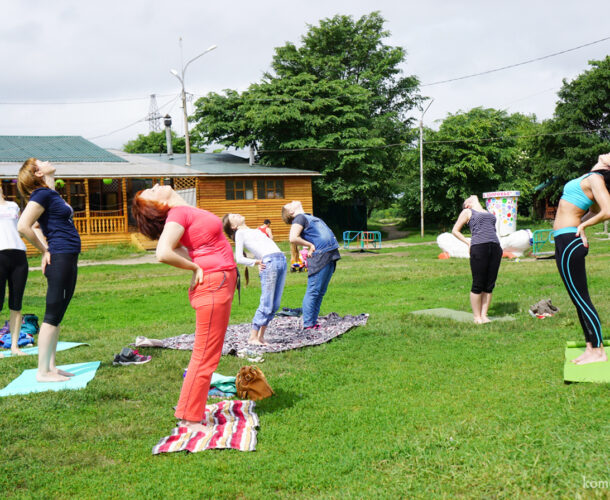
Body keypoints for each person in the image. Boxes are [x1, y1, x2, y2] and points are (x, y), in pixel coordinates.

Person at [132, 184, 236, 433]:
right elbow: (163, 252)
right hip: (212, 284)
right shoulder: (177, 214)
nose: (156, 185)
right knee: (204, 356)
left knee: (207, 354)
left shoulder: (183, 212)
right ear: (159, 206)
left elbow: (179, 247)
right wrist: (194, 267)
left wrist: (195, 262)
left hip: (217, 282)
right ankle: (190, 419)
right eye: (151, 192)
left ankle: (189, 413)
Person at [17, 159, 81, 381]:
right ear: (36, 173)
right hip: (60, 256)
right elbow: (23, 225)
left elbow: (39, 222)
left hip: (68, 255)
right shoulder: (41, 195)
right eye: (40, 162)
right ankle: (42, 372)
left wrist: (49, 176)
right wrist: (45, 249)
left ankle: (51, 366)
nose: (46, 161)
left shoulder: (48, 193)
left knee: (58, 313)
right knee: (52, 314)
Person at [553, 153, 610, 365]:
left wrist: (582, 226)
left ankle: (598, 351)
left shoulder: (596, 179)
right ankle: (590, 347)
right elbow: (595, 210)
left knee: (582, 298)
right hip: (564, 239)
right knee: (577, 299)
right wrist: (581, 222)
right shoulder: (591, 177)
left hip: (570, 240)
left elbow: (608, 210)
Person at [223, 213, 287, 345]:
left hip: (281, 260)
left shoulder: (255, 230)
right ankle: (253, 337)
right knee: (266, 303)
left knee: (275, 304)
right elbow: (239, 258)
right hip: (270, 262)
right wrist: (256, 262)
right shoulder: (240, 233)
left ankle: (261, 337)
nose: (237, 214)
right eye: (233, 217)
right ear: (233, 226)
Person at [281, 201, 340, 329]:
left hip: (330, 254)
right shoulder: (299, 218)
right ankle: (308, 324)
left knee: (320, 292)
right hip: (321, 256)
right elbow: (293, 238)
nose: (292, 202)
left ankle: (312, 322)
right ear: (291, 212)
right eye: (289, 204)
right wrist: (310, 245)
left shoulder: (309, 217)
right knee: (314, 291)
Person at [451, 195, 502, 324]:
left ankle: (484, 316)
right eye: (468, 198)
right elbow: (455, 230)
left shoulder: (487, 212)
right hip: (479, 247)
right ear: (467, 204)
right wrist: (468, 243)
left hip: (495, 247)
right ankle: (476, 317)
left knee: (490, 284)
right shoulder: (467, 212)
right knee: (478, 283)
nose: (471, 196)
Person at [0, 183, 29, 356]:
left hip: (19, 256)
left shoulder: (13, 205)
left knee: (16, 304)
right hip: (0, 256)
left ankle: (14, 346)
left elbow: (20, 227)